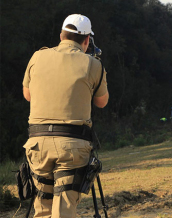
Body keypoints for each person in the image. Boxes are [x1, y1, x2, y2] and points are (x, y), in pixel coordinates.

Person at [22, 14, 109, 218]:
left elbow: (27, 95)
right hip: (72, 146)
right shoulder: (93, 65)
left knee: (42, 208)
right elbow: (102, 102)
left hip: (37, 145)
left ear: (61, 35)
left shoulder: (37, 57)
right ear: (87, 40)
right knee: (64, 210)